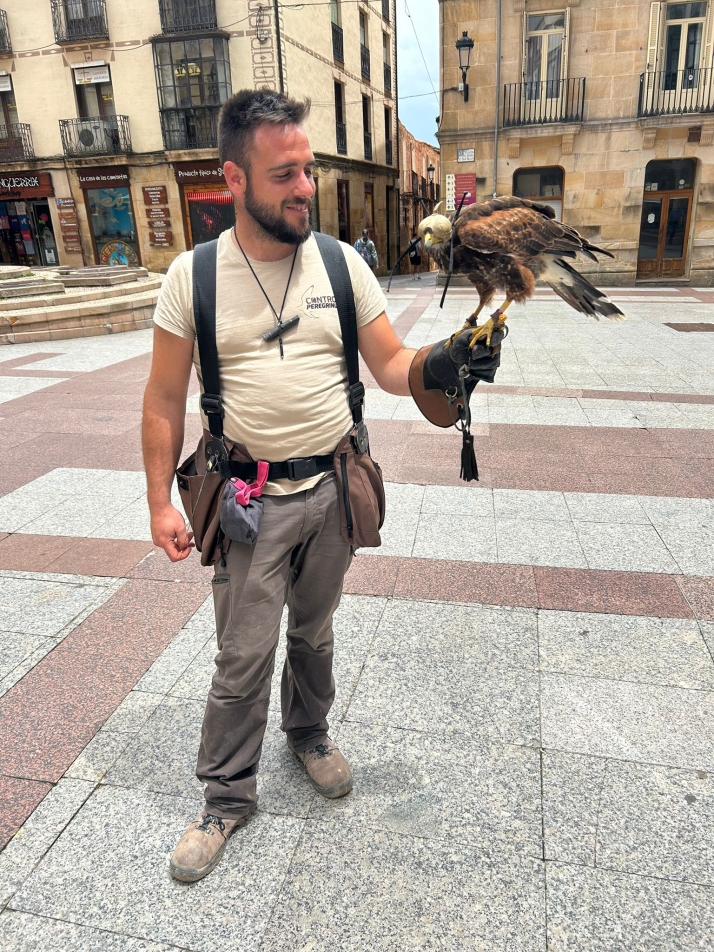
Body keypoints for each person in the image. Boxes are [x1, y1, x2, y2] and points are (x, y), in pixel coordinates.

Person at [142, 88, 502, 884]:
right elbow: (164, 397)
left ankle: (308, 734)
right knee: (243, 653)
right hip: (247, 503)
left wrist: (447, 361)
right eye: (285, 174)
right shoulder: (193, 278)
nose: (305, 187)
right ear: (234, 178)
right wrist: (160, 499)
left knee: (315, 632)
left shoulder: (341, 264)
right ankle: (225, 798)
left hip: (334, 489)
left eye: (307, 170)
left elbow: (393, 366)